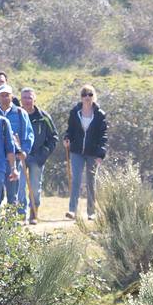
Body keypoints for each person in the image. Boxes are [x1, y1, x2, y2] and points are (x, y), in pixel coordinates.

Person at [64, 84, 108, 220]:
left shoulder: (100, 115)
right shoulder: (75, 112)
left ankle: (91, 212)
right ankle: (72, 210)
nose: (87, 97)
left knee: (91, 181)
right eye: (84, 94)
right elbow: (70, 129)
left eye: (90, 94)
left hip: (92, 153)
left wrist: (101, 154)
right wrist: (66, 138)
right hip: (76, 151)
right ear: (81, 97)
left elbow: (103, 135)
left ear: (93, 96)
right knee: (76, 179)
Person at [0, 84, 33, 218]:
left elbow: (28, 135)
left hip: (14, 160)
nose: (5, 98)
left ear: (12, 96)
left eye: (7, 95)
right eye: (2, 95)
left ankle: (11, 224)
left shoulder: (20, 113)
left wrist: (25, 151)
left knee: (13, 194)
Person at [21, 87, 58, 225]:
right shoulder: (17, 115)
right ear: (20, 100)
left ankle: (33, 214)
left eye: (29, 98)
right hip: (21, 157)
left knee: (35, 188)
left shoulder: (43, 117)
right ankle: (20, 215)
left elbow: (53, 137)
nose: (27, 100)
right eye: (24, 97)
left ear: (34, 99)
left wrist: (44, 154)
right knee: (20, 187)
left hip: (37, 158)